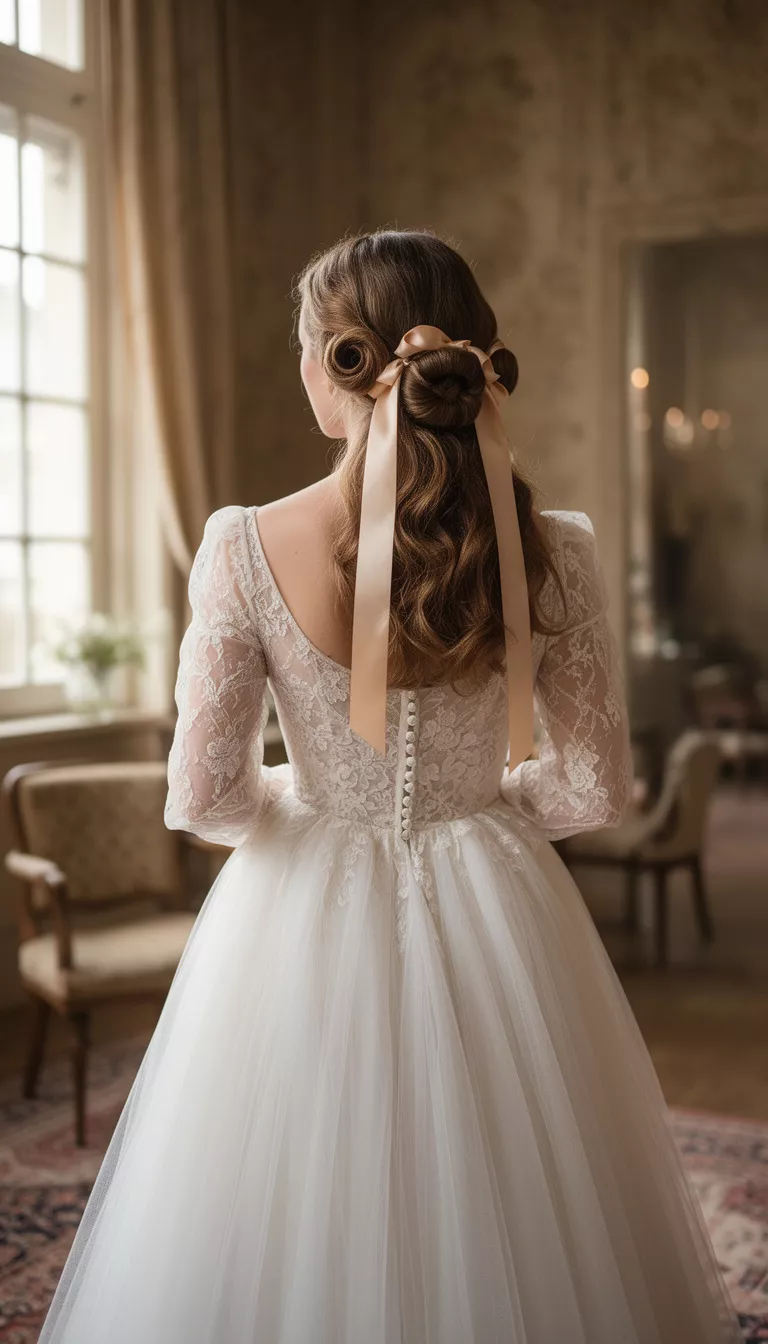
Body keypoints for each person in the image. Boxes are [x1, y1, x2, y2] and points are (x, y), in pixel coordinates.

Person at [38, 230, 742, 1343]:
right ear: (476, 363)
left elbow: (206, 799)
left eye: (307, 349)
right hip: (500, 904)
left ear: (339, 368)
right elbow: (597, 788)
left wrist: (318, 799)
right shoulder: (555, 544)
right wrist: (485, 808)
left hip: (295, 913)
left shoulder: (239, 546)